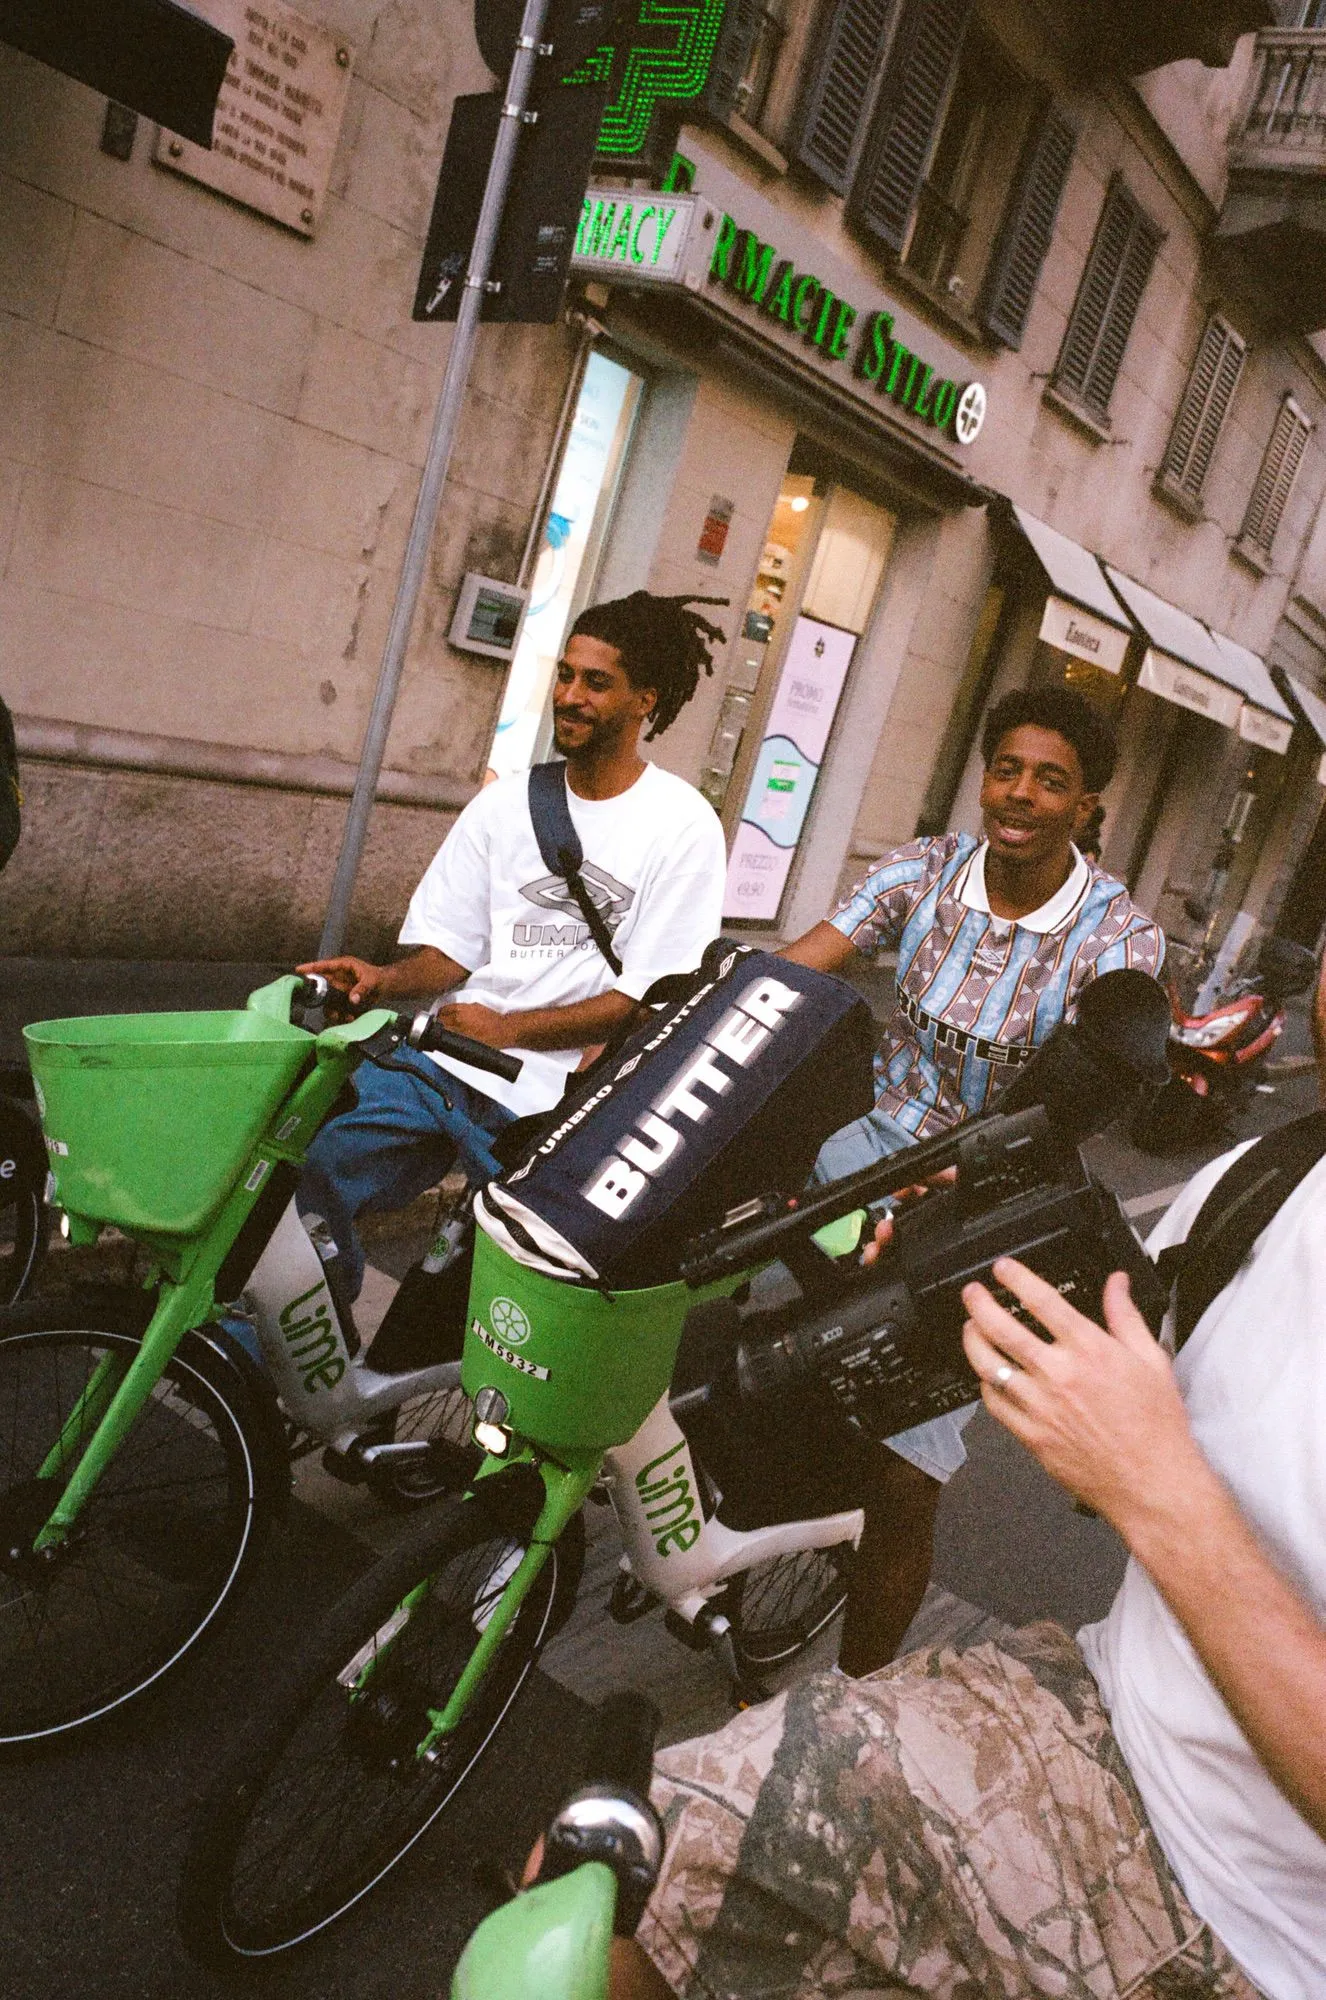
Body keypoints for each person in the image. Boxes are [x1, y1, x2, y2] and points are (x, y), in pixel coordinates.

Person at [610, 963, 1326, 1999]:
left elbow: (1151, 1471)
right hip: (1092, 1717)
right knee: (606, 1891)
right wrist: (957, 1264)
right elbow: (1125, 1359)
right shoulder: (1273, 1179)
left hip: (1264, 1944)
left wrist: (1157, 1486)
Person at [780, 685, 1164, 1674]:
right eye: (1007, 769)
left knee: (905, 1469)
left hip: (984, 1206)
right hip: (855, 1167)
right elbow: (799, 968)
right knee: (742, 1343)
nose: (1021, 793)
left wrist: (960, 1177)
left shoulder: (1118, 938)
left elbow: (1080, 1102)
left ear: (1086, 808)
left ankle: (852, 1694)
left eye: (1052, 780)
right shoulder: (925, 867)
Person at [296, 591, 728, 1302]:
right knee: (314, 1166)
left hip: (561, 1100)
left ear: (645, 700)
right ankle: (314, 1366)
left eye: (596, 682)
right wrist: (382, 979)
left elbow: (648, 1002)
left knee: (477, 1288)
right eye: (565, 676)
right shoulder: (507, 803)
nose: (570, 696)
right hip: (444, 1063)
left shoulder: (680, 824)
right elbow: (452, 953)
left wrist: (512, 1029)